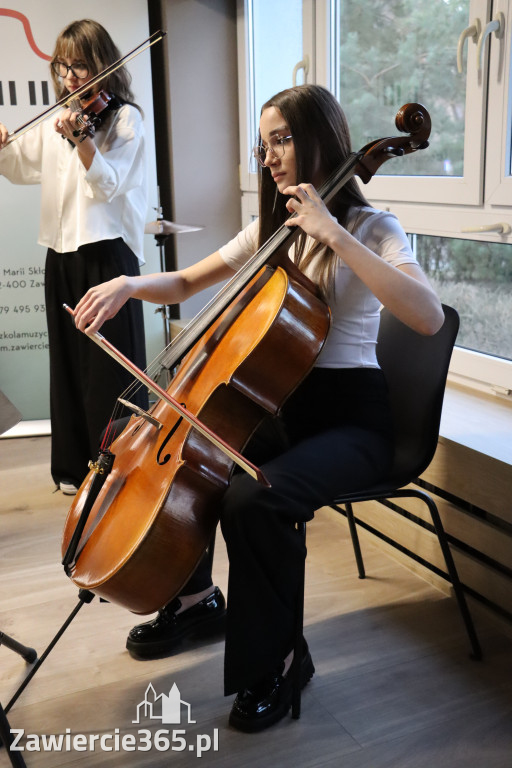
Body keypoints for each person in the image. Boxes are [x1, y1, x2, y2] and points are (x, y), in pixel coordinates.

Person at [73, 84, 444, 732]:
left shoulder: (371, 227)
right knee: (204, 462)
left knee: (257, 500)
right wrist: (130, 284)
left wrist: (336, 235)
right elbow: (189, 282)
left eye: (281, 139)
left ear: (320, 139)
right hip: (286, 408)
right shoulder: (272, 230)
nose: (267, 155)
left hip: (356, 420)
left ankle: (276, 662)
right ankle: (194, 601)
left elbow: (427, 315)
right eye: (263, 142)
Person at [0, 19, 148, 495]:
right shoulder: (59, 117)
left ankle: (121, 465)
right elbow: (22, 168)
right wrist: (3, 148)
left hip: (107, 259)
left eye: (79, 66)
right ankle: (74, 466)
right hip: (60, 256)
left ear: (102, 64)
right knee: (68, 363)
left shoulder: (125, 120)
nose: (70, 77)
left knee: (110, 367)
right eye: (63, 66)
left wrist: (82, 140)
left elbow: (107, 186)